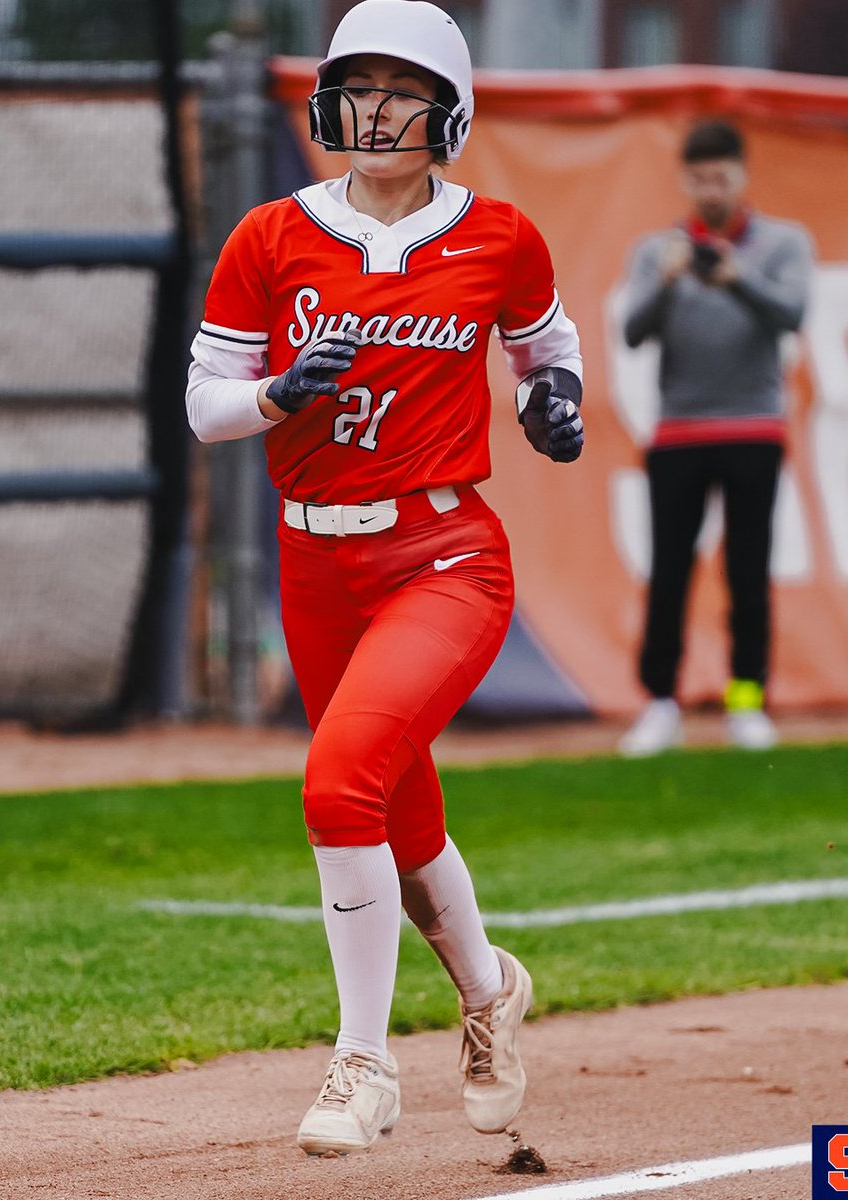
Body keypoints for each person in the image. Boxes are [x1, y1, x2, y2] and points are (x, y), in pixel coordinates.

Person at [186, 0, 584, 1157]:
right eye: (356, 82)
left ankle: (362, 1063)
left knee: (339, 783)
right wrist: (277, 395)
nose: (372, 107)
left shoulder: (499, 234)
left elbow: (544, 350)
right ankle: (488, 990)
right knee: (399, 815)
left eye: (401, 87)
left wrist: (549, 402)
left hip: (443, 551)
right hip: (315, 560)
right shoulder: (270, 235)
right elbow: (205, 404)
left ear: (447, 109)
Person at [618, 119, 813, 757]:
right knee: (669, 571)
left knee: (748, 569)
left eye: (720, 177)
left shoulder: (783, 243)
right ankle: (660, 702)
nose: (710, 189)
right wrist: (670, 278)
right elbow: (631, 333)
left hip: (755, 428)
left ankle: (747, 700)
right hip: (677, 431)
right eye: (698, 178)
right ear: (683, 179)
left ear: (742, 175)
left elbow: (793, 315)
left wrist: (736, 278)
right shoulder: (657, 250)